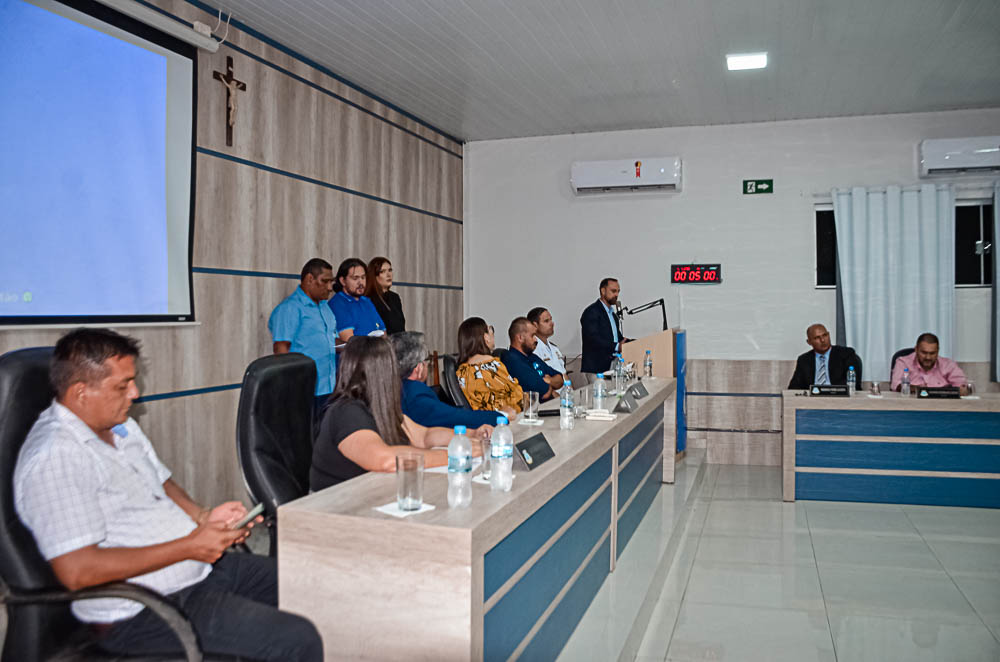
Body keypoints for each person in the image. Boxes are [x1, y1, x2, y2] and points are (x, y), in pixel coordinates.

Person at [13, 328, 322, 661]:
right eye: (122, 386)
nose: (134, 393)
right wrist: (189, 545)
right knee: (296, 639)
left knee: (313, 582)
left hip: (199, 574)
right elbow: (79, 571)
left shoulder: (120, 427)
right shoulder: (56, 456)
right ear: (80, 393)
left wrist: (203, 518)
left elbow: (161, 482)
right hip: (142, 611)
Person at [311, 336, 487, 491]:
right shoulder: (346, 412)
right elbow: (385, 459)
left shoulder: (378, 406)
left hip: (373, 498)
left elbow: (424, 436)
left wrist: (472, 433)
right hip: (339, 512)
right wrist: (457, 454)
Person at [268, 258, 339, 411]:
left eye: (331, 282)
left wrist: (354, 345)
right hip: (303, 392)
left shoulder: (325, 307)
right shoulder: (290, 308)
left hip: (329, 388)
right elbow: (281, 350)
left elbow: (332, 340)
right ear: (309, 279)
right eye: (325, 281)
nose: (330, 287)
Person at [391, 331, 499, 429]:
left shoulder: (390, 388)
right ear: (418, 369)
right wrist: (501, 416)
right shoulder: (415, 394)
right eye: (426, 361)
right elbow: (457, 418)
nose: (427, 365)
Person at [455, 317, 523, 416]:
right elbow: (517, 395)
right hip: (505, 420)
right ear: (485, 337)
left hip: (481, 421)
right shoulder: (491, 364)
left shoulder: (461, 371)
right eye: (490, 329)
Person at [502, 317, 564, 402]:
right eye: (532, 335)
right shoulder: (511, 359)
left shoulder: (532, 357)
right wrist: (551, 388)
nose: (536, 339)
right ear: (520, 338)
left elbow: (560, 379)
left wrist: (549, 380)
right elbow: (543, 392)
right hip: (534, 411)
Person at [787, 323, 863, 390]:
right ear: (809, 342)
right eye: (817, 338)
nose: (823, 340)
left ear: (829, 335)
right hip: (812, 401)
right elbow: (794, 387)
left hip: (839, 399)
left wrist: (827, 391)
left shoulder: (846, 354)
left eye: (825, 335)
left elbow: (853, 384)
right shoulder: (804, 360)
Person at [329, 257, 386, 341]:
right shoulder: (338, 303)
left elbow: (383, 333)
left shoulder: (366, 301)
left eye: (363, 277)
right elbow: (349, 341)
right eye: (355, 278)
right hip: (355, 353)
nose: (361, 283)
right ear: (343, 281)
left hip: (375, 352)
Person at [580, 277, 629, 374]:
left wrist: (631, 343)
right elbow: (593, 339)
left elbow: (617, 338)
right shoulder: (591, 312)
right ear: (603, 291)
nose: (616, 295)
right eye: (613, 291)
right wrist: (617, 346)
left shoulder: (613, 315)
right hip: (596, 368)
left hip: (612, 366)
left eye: (618, 291)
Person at [891, 332, 968, 394]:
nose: (928, 357)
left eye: (932, 353)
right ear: (916, 349)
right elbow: (896, 385)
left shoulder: (948, 365)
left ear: (938, 351)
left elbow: (962, 388)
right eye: (924, 353)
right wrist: (922, 390)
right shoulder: (903, 362)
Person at [367, 256, 406, 335]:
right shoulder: (369, 299)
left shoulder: (395, 297)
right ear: (374, 276)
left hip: (400, 343)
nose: (388, 275)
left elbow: (401, 327)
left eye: (390, 270)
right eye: (382, 271)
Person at [527, 306, 566, 374]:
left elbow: (564, 374)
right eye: (546, 321)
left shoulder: (554, 348)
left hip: (563, 384)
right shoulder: (532, 350)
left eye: (551, 319)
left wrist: (569, 384)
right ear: (534, 325)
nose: (552, 323)